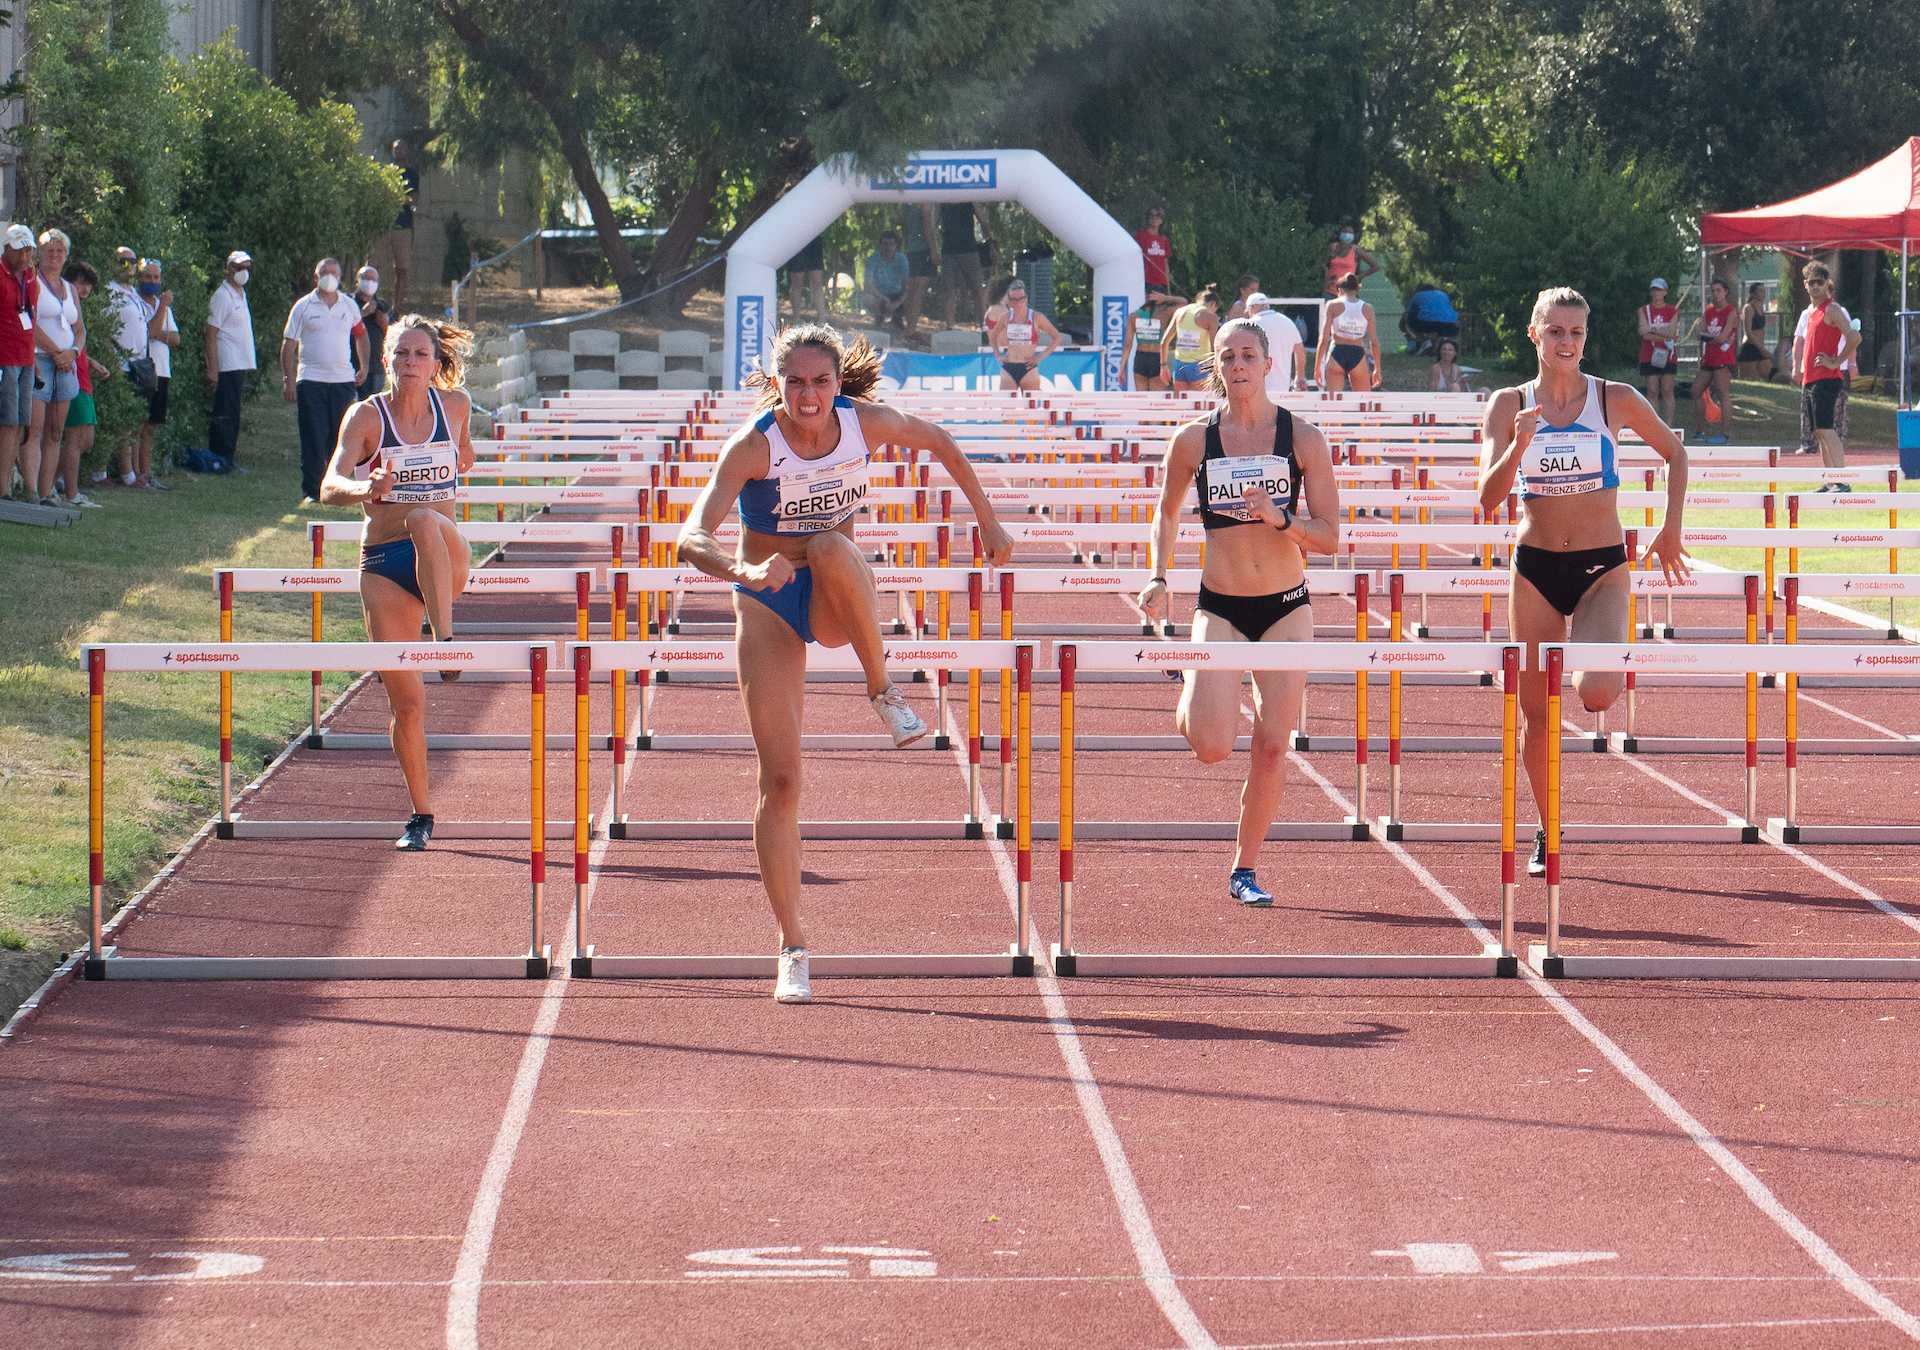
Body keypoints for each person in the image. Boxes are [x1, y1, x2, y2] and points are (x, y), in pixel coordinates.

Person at [675, 325, 1016, 1002]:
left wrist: (989, 519)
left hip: (835, 592)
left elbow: (943, 443)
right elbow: (689, 536)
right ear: (776, 384)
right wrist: (743, 566)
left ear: (838, 384)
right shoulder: (753, 446)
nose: (808, 395)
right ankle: (792, 946)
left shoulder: (867, 425)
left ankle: (884, 690)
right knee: (780, 781)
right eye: (794, 382)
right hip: (769, 598)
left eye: (820, 381)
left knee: (831, 545)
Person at [1478, 287, 1689, 876]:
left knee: (1594, 692)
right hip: (1535, 570)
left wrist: (1669, 530)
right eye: (1555, 332)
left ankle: (1611, 650)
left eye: (1576, 333)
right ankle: (1549, 830)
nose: (1566, 342)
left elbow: (1676, 453)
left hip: (1601, 569)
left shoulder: (1613, 398)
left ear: (1585, 339)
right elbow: (1487, 499)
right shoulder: (1507, 404)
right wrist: (1520, 442)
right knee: (1535, 717)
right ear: (1534, 334)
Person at [1138, 318, 1339, 907]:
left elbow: (1330, 536)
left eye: (1248, 355)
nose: (1238, 366)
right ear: (1217, 367)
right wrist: (1157, 574)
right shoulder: (1194, 440)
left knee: (1273, 745)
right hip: (1220, 606)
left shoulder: (1302, 438)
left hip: (1285, 609)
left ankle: (1244, 868)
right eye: (1227, 357)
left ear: (1268, 362)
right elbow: (1167, 512)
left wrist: (1284, 521)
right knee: (1211, 747)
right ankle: (1194, 697)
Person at [317, 317, 476, 852]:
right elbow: (329, 485)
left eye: (420, 354)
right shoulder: (365, 416)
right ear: (386, 360)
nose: (410, 363)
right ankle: (421, 814)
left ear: (436, 362)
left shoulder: (454, 408)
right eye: (401, 354)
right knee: (406, 704)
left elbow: (466, 455)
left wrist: (450, 466)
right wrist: (367, 483)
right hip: (385, 561)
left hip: (443, 555)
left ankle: (445, 642)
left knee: (425, 518)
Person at [282, 258, 369, 506]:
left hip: (342, 381)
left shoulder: (349, 306)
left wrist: (363, 366)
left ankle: (337, 488)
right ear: (315, 276)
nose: (329, 276)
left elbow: (361, 337)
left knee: (340, 437)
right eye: (324, 272)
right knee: (313, 436)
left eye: (334, 272)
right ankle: (312, 490)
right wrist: (288, 381)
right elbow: (289, 345)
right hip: (311, 380)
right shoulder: (303, 307)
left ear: (341, 278)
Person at [1792, 261, 1859, 489]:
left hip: (1827, 379)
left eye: (1820, 282)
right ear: (1805, 284)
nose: (1816, 286)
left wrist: (1837, 362)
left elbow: (1854, 337)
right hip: (1810, 379)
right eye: (1812, 282)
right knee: (1819, 432)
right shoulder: (1810, 312)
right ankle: (1831, 481)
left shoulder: (1832, 309)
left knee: (1827, 430)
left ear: (1826, 284)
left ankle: (1842, 482)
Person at [26, 229, 81, 506]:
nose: (55, 255)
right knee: (34, 429)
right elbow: (29, 324)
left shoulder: (70, 288)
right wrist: (57, 352)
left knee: (55, 432)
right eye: (49, 250)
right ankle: (31, 490)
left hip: (65, 364)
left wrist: (73, 352)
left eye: (60, 251)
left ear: (66, 255)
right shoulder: (33, 283)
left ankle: (46, 492)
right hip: (41, 360)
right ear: (41, 253)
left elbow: (80, 329)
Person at [51, 261, 107, 508]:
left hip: (83, 374)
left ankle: (51, 483)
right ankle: (71, 494)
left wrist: (91, 361)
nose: (84, 289)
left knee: (86, 438)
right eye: (80, 283)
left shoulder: (75, 309)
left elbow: (77, 342)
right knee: (77, 436)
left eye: (88, 285)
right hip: (71, 376)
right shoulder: (61, 306)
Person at [205, 250, 255, 470]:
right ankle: (221, 457)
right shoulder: (222, 296)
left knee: (233, 411)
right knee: (225, 412)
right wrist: (213, 368)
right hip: (227, 363)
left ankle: (228, 457)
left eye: (245, 268)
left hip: (239, 363)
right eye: (238, 267)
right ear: (228, 268)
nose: (242, 272)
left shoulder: (240, 294)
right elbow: (210, 332)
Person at [0, 224, 39, 502]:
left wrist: (34, 360)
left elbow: (31, 319)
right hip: (5, 358)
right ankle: (2, 489)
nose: (25, 256)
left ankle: (7, 486)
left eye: (29, 250)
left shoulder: (30, 279)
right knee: (6, 422)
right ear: (7, 250)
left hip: (25, 358)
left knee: (18, 424)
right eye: (20, 250)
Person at [368, 139, 419, 310]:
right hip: (383, 225)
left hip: (403, 227)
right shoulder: (385, 173)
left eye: (403, 148)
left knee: (401, 269)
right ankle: (370, 303)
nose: (399, 151)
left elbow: (414, 200)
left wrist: (396, 197)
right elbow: (378, 197)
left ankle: (396, 309)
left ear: (407, 152)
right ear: (392, 151)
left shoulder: (412, 175)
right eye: (396, 148)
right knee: (373, 267)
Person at [989, 278, 1060, 390]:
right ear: (1010, 300)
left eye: (1021, 299)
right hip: (1009, 366)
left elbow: (1057, 338)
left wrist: (1040, 357)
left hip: (1028, 368)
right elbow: (993, 335)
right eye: (1014, 300)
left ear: (1026, 298)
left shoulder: (1037, 317)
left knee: (1030, 405)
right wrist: (998, 355)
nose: (1018, 303)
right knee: (1006, 405)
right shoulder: (1006, 317)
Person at [1691, 278, 1737, 444]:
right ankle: (1700, 430)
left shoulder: (1731, 312)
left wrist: (1711, 338)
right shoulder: (1709, 311)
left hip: (1723, 359)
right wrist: (1714, 338)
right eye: (1713, 290)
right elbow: (1699, 334)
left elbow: (1723, 337)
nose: (1715, 293)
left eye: (1719, 290)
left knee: (1722, 393)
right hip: (1709, 359)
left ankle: (1725, 434)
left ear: (1725, 292)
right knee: (1696, 390)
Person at [1316, 272, 1379, 393]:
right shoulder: (1368, 308)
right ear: (1356, 289)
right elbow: (1374, 342)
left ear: (1340, 290)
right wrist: (1377, 369)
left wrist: (1317, 367)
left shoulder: (1332, 305)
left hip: (1337, 351)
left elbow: (1323, 339)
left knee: (1333, 405)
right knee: (1363, 404)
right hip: (1357, 352)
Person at [938, 202, 993, 328]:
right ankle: (950, 325)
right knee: (948, 289)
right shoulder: (942, 199)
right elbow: (933, 221)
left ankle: (983, 325)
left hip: (969, 248)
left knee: (977, 289)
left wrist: (990, 245)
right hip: (948, 249)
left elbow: (982, 220)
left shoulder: (969, 196)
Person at [1162, 285, 1220, 393]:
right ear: (1213, 304)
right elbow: (1214, 345)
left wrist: (1163, 365)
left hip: (1179, 365)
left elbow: (1164, 342)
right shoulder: (1210, 316)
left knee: (1182, 406)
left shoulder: (1179, 312)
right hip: (1200, 366)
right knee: (1200, 406)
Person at [1126, 288, 1186, 391]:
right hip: (1157, 357)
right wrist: (1166, 298)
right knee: (1157, 400)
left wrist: (1122, 368)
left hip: (1140, 357)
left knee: (1142, 398)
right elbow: (1184, 303)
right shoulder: (1164, 313)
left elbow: (1127, 345)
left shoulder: (1134, 316)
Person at [1637, 278, 1679, 426]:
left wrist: (1653, 329)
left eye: (1659, 290)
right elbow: (1643, 332)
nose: (1657, 293)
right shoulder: (1644, 310)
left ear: (1665, 292)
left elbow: (1672, 333)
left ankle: (1669, 424)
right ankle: (1654, 424)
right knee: (1652, 390)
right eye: (1654, 290)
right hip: (1649, 353)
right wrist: (1663, 333)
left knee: (1667, 389)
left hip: (1667, 354)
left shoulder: (1672, 311)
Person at [1244, 292, 1305, 392]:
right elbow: (1300, 349)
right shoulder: (1287, 322)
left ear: (1252, 308)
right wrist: (1300, 376)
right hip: (1283, 386)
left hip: (1258, 386)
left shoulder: (1252, 325)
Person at [354, 266, 393, 399]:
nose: (370, 282)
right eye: (366, 278)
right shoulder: (348, 303)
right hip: (352, 366)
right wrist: (363, 313)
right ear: (357, 281)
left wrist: (384, 324)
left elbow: (394, 335)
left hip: (376, 367)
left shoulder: (383, 305)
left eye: (373, 279)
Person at [900, 204, 937, 340]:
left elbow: (904, 225)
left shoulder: (906, 203)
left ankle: (909, 328)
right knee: (919, 291)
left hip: (912, 249)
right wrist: (933, 249)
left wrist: (907, 243)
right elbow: (927, 225)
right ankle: (911, 331)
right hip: (924, 249)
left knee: (912, 290)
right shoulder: (924, 200)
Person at [860, 231, 908, 329]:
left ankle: (898, 320)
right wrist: (884, 299)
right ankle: (879, 317)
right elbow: (868, 285)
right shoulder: (873, 259)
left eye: (891, 244)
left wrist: (898, 302)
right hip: (879, 295)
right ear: (880, 245)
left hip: (897, 294)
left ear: (896, 245)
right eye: (885, 244)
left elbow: (908, 285)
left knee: (913, 295)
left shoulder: (902, 259)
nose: (888, 247)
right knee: (868, 298)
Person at [1401, 283, 1460, 353]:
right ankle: (1439, 344)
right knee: (1443, 329)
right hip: (1451, 323)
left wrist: (1408, 333)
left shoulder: (1418, 295)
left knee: (1412, 315)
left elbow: (1406, 315)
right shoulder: (1443, 295)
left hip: (1426, 322)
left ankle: (1423, 340)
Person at [786, 232, 828, 324]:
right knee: (797, 281)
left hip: (814, 239)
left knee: (817, 281)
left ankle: (822, 319)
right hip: (795, 239)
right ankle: (796, 317)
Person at [1736, 282, 1770, 381]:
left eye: (1764, 291)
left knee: (1771, 376)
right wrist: (1761, 348)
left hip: (1760, 349)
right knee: (1747, 380)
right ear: (1753, 294)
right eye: (1760, 291)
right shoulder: (1749, 308)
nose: (1763, 293)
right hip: (1750, 348)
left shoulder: (1761, 308)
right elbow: (1748, 332)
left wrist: (1762, 348)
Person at [1135, 207, 1172, 293]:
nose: (1154, 218)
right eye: (1151, 216)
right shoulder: (1141, 236)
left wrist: (1169, 290)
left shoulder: (1163, 239)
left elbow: (1166, 265)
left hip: (1162, 282)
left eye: (1157, 216)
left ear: (1161, 220)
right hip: (1146, 281)